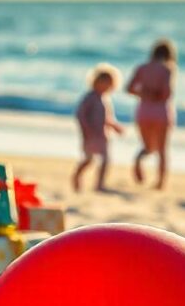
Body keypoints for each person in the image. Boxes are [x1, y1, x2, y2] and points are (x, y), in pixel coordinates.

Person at [127, 39, 177, 190]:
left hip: (144, 112)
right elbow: (167, 94)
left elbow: (129, 88)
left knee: (147, 146)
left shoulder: (142, 68)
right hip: (161, 113)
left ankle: (138, 159)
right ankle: (160, 183)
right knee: (162, 150)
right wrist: (155, 95)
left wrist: (143, 93)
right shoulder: (167, 69)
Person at [73, 63, 124, 192]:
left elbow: (107, 118)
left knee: (106, 160)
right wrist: (86, 129)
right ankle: (77, 176)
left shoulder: (105, 99)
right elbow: (80, 114)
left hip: (102, 135)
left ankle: (99, 184)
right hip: (90, 135)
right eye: (103, 82)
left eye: (109, 84)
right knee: (89, 160)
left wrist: (115, 126)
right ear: (95, 81)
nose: (106, 86)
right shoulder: (89, 97)